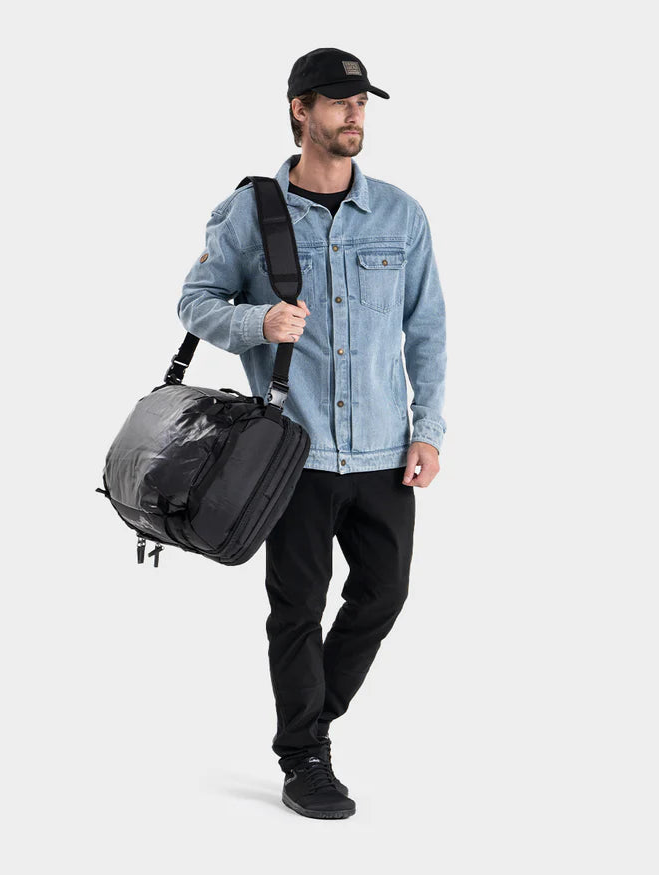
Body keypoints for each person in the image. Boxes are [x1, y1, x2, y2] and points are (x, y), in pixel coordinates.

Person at [177, 47, 447, 820]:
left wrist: (428, 428)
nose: (354, 114)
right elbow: (195, 302)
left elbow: (427, 328)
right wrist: (256, 321)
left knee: (384, 593)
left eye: (361, 101)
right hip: (291, 452)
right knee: (297, 605)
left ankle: (312, 715)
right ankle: (303, 757)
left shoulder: (401, 213)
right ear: (301, 110)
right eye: (338, 101)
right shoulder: (250, 213)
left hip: (384, 449)